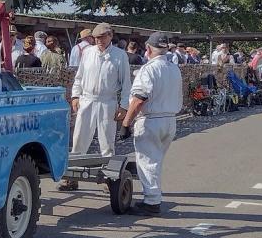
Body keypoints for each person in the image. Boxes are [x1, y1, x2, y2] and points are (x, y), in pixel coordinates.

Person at [116, 31, 182, 216]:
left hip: (151, 120)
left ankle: (152, 201)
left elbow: (139, 98)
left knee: (147, 161)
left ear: (148, 49)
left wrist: (126, 123)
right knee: (156, 160)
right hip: (169, 119)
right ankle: (154, 196)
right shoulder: (173, 68)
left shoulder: (149, 69)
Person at [61, 23, 131, 191]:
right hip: (87, 100)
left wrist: (123, 106)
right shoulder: (88, 53)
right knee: (79, 139)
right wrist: (75, 96)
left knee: (107, 142)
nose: (99, 40)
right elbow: (79, 77)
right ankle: (72, 176)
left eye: (103, 37)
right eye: (97, 38)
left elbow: (126, 83)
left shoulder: (120, 56)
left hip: (108, 101)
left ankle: (109, 178)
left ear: (110, 36)